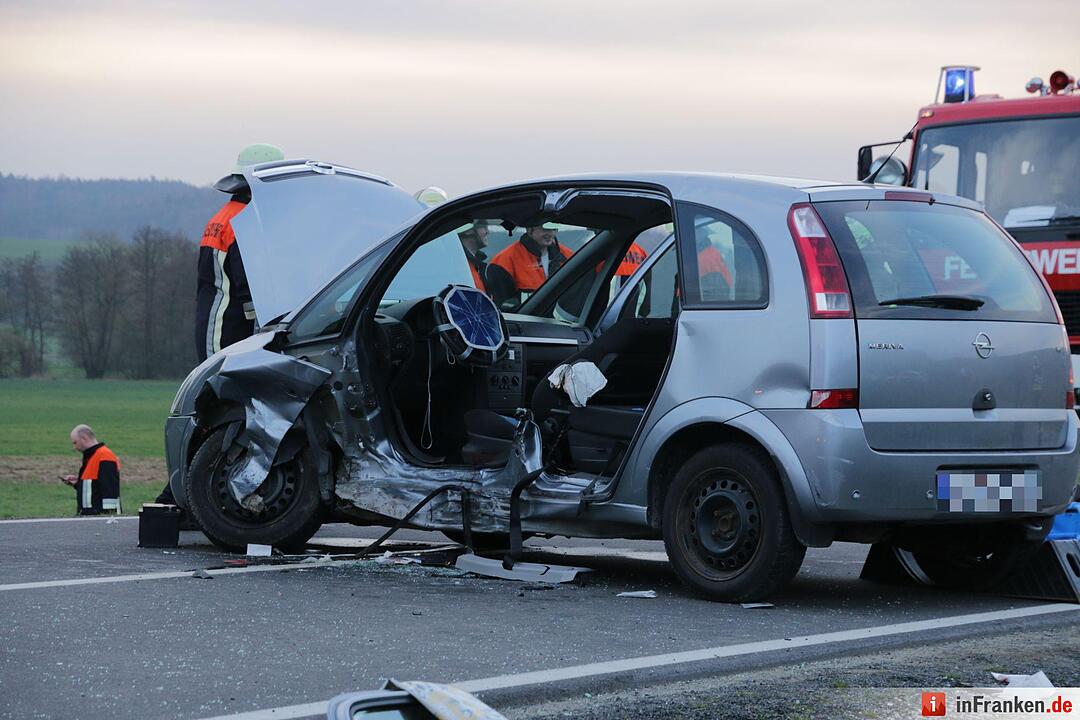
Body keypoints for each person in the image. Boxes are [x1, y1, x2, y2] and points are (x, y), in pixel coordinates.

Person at [195, 143, 285, 364]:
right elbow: (252, 289)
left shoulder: (225, 217)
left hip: (216, 326)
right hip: (231, 334)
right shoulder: (247, 222)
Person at [487, 223, 572, 306]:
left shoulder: (569, 256)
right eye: (545, 229)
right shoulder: (504, 261)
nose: (551, 233)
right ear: (529, 230)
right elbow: (503, 307)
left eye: (554, 229)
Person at [62, 425, 121, 515]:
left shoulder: (105, 456)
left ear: (84, 438)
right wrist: (78, 483)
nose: (74, 447)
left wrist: (109, 517)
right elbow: (94, 486)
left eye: (75, 442)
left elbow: (110, 491)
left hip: (99, 518)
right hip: (90, 517)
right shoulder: (92, 456)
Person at [457, 220, 491, 291]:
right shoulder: (459, 266)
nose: (488, 232)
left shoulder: (477, 266)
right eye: (484, 227)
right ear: (468, 231)